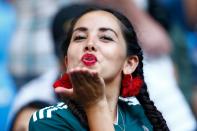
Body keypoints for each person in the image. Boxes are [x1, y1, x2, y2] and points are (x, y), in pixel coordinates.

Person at [29, 7, 169, 130]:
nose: (90, 44)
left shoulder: (144, 117)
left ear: (129, 64)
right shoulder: (49, 121)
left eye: (106, 38)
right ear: (67, 62)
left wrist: (96, 103)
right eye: (79, 37)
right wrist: (95, 104)